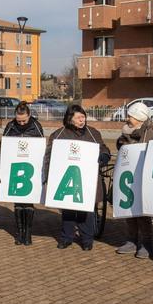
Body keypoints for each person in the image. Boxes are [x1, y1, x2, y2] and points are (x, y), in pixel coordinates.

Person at [43, 105, 110, 251]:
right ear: (70, 118)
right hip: (66, 178)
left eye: (83, 116)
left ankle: (87, 239)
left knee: (86, 210)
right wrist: (47, 175)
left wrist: (104, 155)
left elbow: (103, 147)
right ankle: (66, 238)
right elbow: (49, 156)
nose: (82, 120)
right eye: (78, 117)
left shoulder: (93, 133)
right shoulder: (58, 135)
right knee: (67, 211)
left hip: (87, 178)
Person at [114, 102, 153, 260]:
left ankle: (146, 243)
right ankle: (131, 240)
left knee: (142, 213)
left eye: (131, 116)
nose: (127, 118)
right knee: (129, 209)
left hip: (143, 175)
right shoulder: (125, 131)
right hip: (128, 174)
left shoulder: (150, 133)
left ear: (139, 118)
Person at [2, 101, 45, 246]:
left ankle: (28, 233)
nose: (20, 123)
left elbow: (41, 149)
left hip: (30, 168)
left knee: (28, 202)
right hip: (15, 167)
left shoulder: (36, 126)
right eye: (18, 120)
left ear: (29, 116)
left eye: (24, 120)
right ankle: (19, 232)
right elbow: (3, 147)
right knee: (18, 203)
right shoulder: (10, 126)